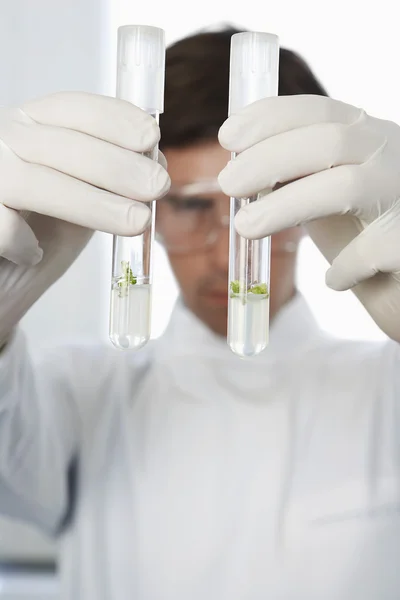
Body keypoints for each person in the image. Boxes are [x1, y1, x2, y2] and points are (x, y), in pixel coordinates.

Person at [0, 25, 400, 600]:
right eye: (189, 206)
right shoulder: (76, 394)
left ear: (319, 201)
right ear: (145, 208)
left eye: (256, 203)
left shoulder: (384, 390)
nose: (225, 251)